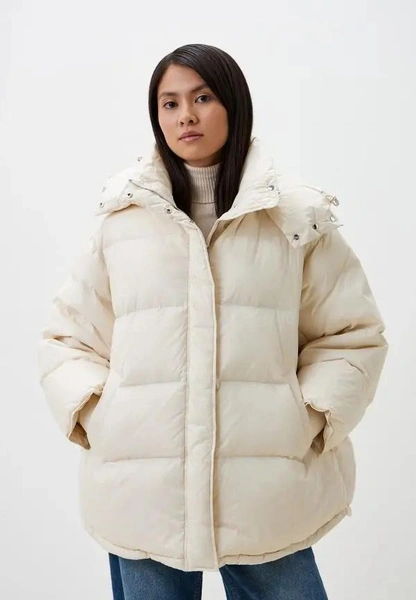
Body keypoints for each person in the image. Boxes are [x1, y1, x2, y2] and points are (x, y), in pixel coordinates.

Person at [37, 43, 389, 599]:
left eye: (202, 98)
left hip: (266, 485)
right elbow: (68, 338)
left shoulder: (294, 219)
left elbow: (352, 335)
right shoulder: (122, 221)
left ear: (233, 104)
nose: (186, 116)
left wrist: (308, 418)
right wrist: (103, 418)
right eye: (170, 103)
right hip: (142, 488)